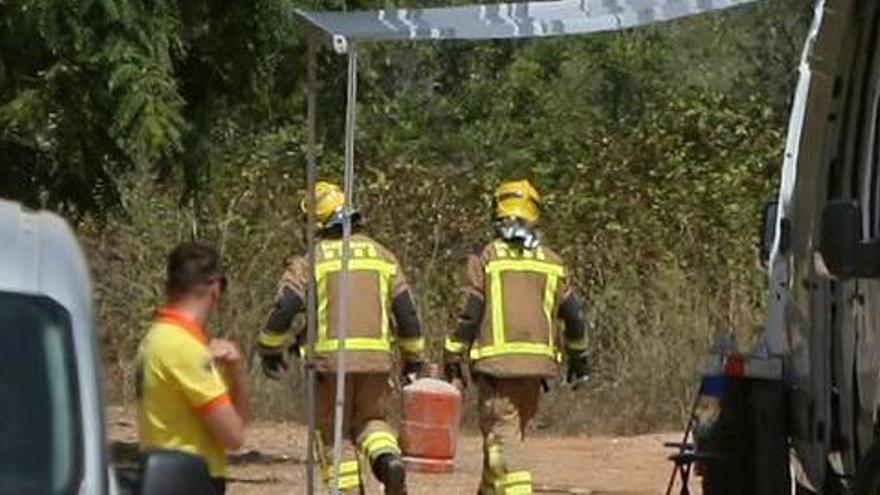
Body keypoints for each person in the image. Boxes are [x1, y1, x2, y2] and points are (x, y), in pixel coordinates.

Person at [256, 180, 424, 495]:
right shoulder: (383, 256)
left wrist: (269, 346)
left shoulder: (311, 259)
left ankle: (347, 491)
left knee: (331, 433)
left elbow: (285, 307)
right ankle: (387, 460)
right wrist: (414, 358)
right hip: (376, 363)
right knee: (372, 422)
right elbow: (408, 314)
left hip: (329, 366)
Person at [443, 179, 590, 495]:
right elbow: (575, 316)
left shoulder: (487, 258)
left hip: (498, 369)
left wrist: (452, 354)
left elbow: (469, 312)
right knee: (503, 439)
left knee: (504, 439)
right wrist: (580, 358)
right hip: (537, 369)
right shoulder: (552, 262)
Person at [136, 243, 249, 495]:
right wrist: (236, 371)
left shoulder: (154, 338)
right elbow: (234, 435)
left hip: (164, 478)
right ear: (215, 289)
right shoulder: (184, 349)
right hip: (191, 481)